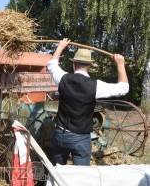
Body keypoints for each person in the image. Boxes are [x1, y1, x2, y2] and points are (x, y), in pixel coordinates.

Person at [47, 38, 129, 166]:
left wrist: (60, 47)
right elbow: (123, 88)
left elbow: (52, 64)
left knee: (58, 172)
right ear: (89, 66)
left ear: (74, 64)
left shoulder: (63, 79)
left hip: (60, 135)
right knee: (82, 176)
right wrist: (120, 65)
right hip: (80, 138)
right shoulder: (96, 86)